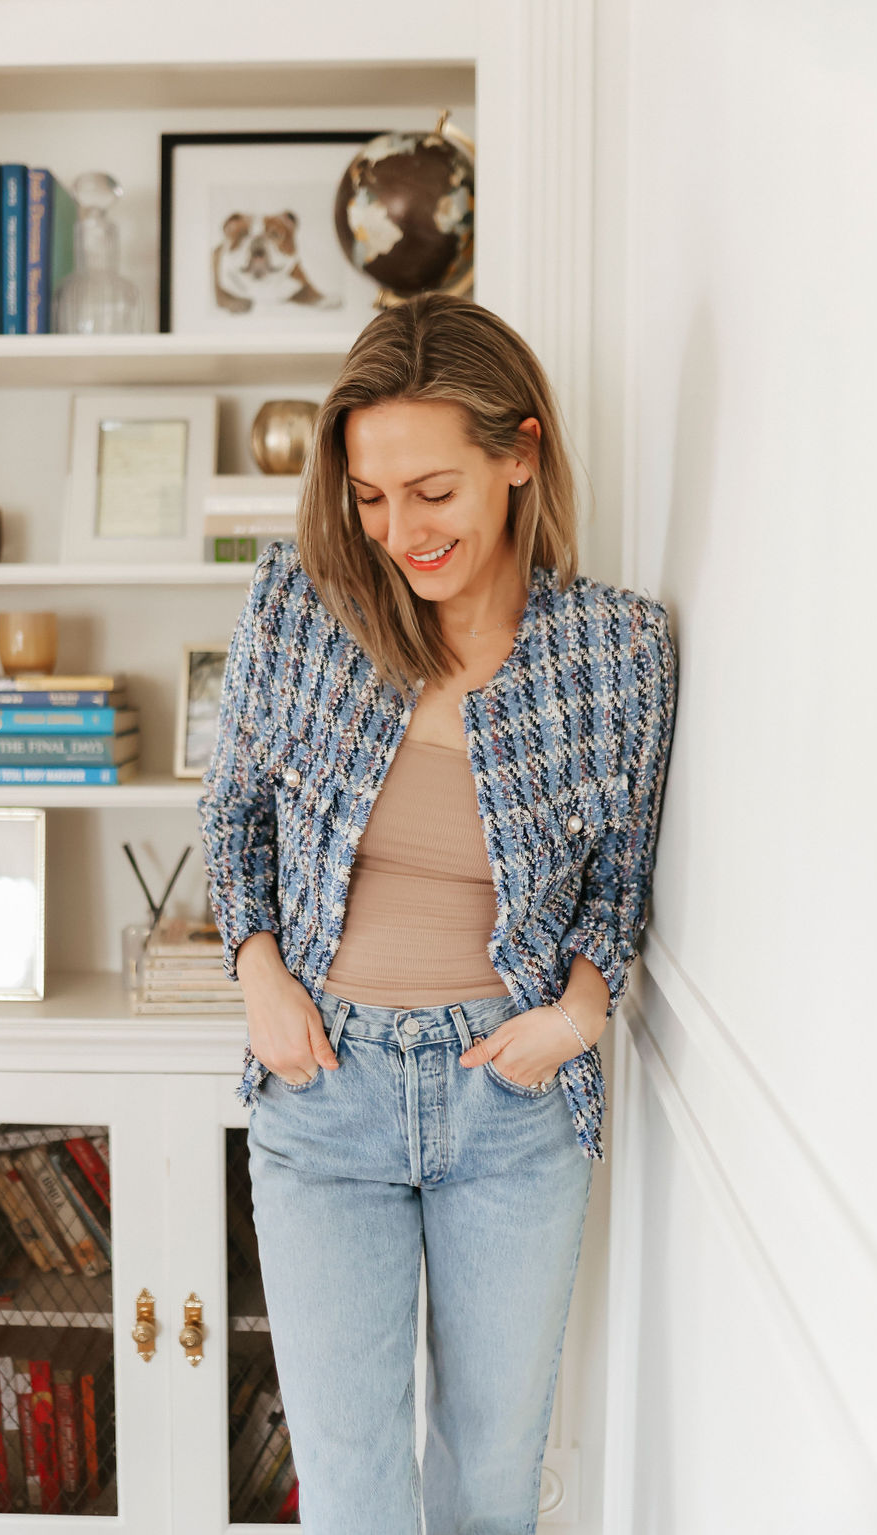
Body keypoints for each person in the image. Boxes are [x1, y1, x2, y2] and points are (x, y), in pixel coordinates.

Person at [197, 292, 678, 1534]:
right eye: (370, 494)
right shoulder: (300, 607)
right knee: (351, 1485)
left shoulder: (616, 652)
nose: (399, 529)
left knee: (488, 1479)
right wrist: (259, 970)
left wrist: (577, 1010)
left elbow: (615, 887)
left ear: (518, 454)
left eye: (433, 490)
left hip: (510, 1106)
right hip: (324, 1090)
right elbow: (233, 814)